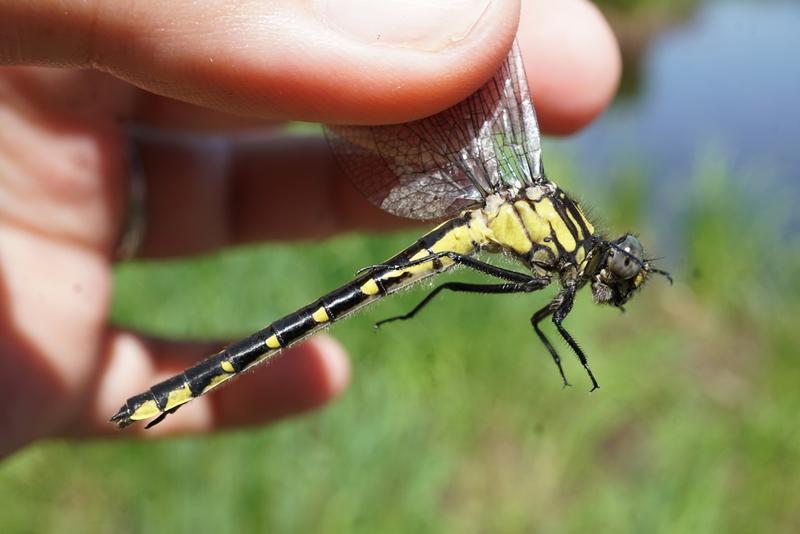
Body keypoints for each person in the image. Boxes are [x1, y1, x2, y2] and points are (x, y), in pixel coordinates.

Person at [0, 0, 621, 458]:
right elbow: (544, 315)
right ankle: (169, 395)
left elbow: (521, 303)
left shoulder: (558, 241)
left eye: (617, 266)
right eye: (615, 266)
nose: (613, 271)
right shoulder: (557, 241)